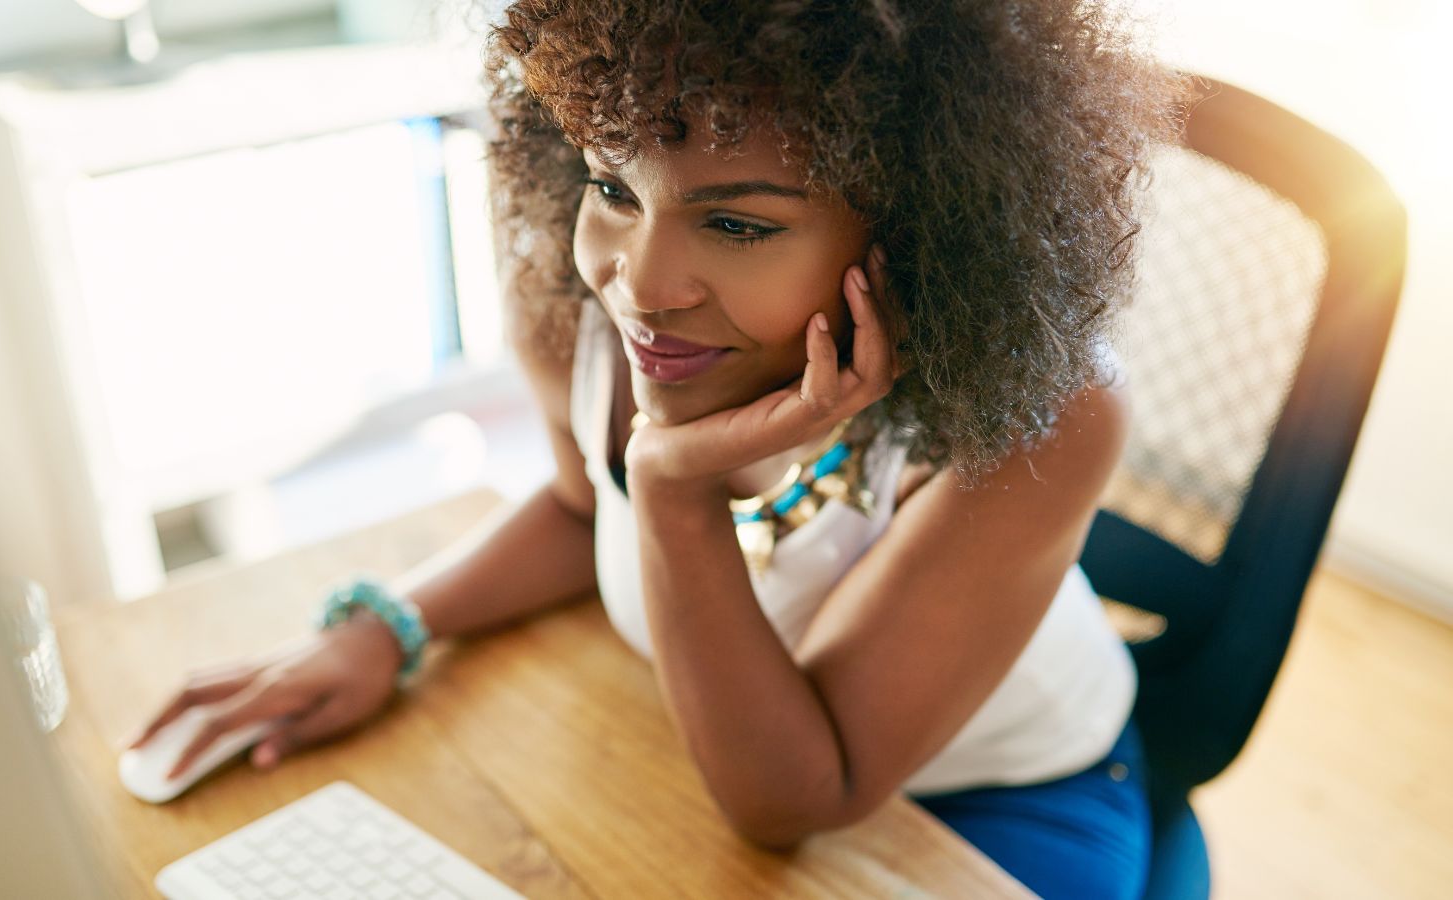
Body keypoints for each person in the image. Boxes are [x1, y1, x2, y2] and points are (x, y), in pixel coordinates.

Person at [129, 2, 1189, 896]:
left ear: (912, 231)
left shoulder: (1046, 420)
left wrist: (674, 484)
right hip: (696, 735)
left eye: (736, 226)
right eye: (612, 189)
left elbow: (793, 798)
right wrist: (389, 626)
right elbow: (581, 508)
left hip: (999, 813)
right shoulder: (574, 312)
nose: (640, 282)